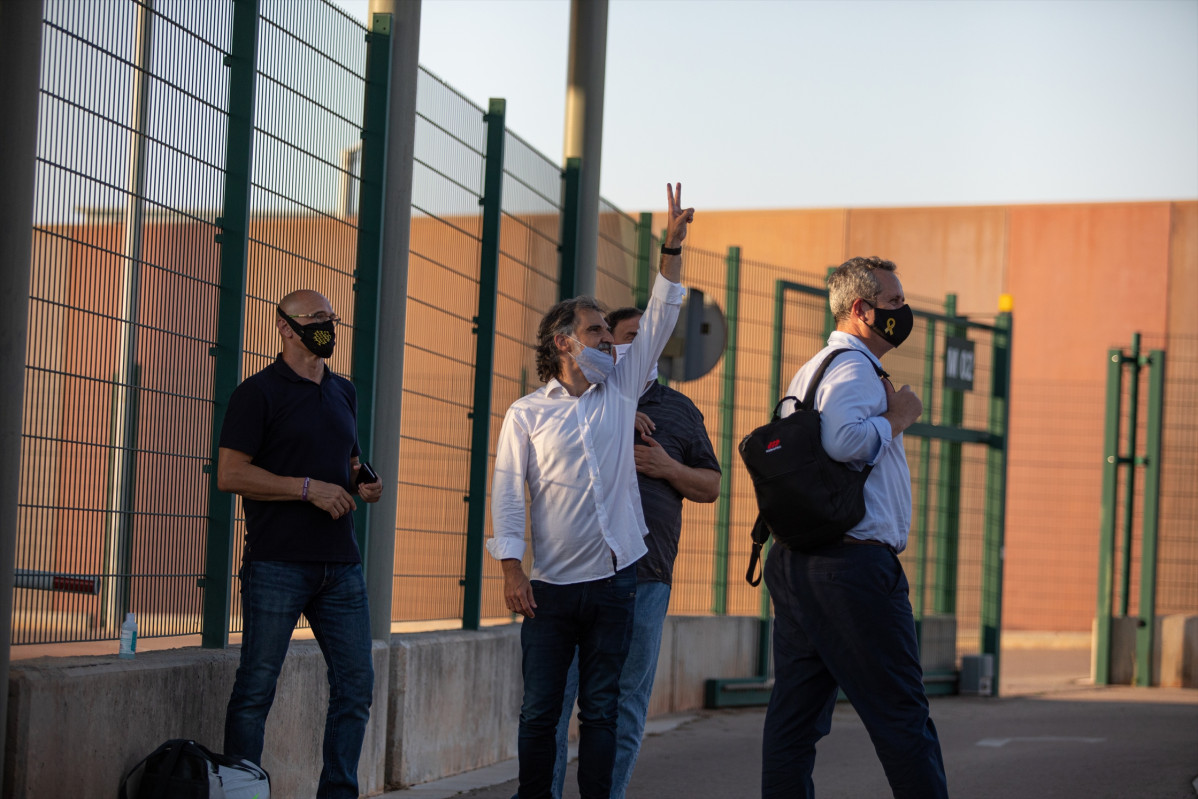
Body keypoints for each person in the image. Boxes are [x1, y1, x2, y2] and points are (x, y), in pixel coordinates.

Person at [488, 184, 694, 799]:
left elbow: (661, 316)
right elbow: (507, 496)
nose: (611, 341)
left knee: (601, 712)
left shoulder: (623, 389)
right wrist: (510, 571)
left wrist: (671, 248)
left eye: (610, 331)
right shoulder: (525, 414)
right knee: (539, 714)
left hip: (615, 582)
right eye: (598, 331)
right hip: (549, 588)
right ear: (564, 342)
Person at [761, 256, 948, 799]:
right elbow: (843, 442)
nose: (903, 311)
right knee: (901, 715)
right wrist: (900, 416)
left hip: (800, 564)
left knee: (795, 720)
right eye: (893, 302)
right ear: (862, 310)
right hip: (851, 569)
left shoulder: (812, 369)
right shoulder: (853, 368)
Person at [548, 306, 721, 799]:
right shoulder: (575, 402)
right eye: (621, 336)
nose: (630, 346)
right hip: (573, 572)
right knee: (554, 701)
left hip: (646, 575)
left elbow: (710, 486)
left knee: (625, 702)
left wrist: (668, 467)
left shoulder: (680, 411)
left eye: (643, 338)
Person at [217, 289, 382, 799]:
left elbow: (348, 461)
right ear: (285, 327)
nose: (327, 326)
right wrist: (306, 488)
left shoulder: (343, 391)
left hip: (341, 567)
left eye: (331, 318)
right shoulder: (257, 392)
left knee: (356, 689)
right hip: (277, 564)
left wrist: (361, 481)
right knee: (255, 689)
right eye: (315, 319)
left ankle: (338, 792)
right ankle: (242, 790)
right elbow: (230, 474)